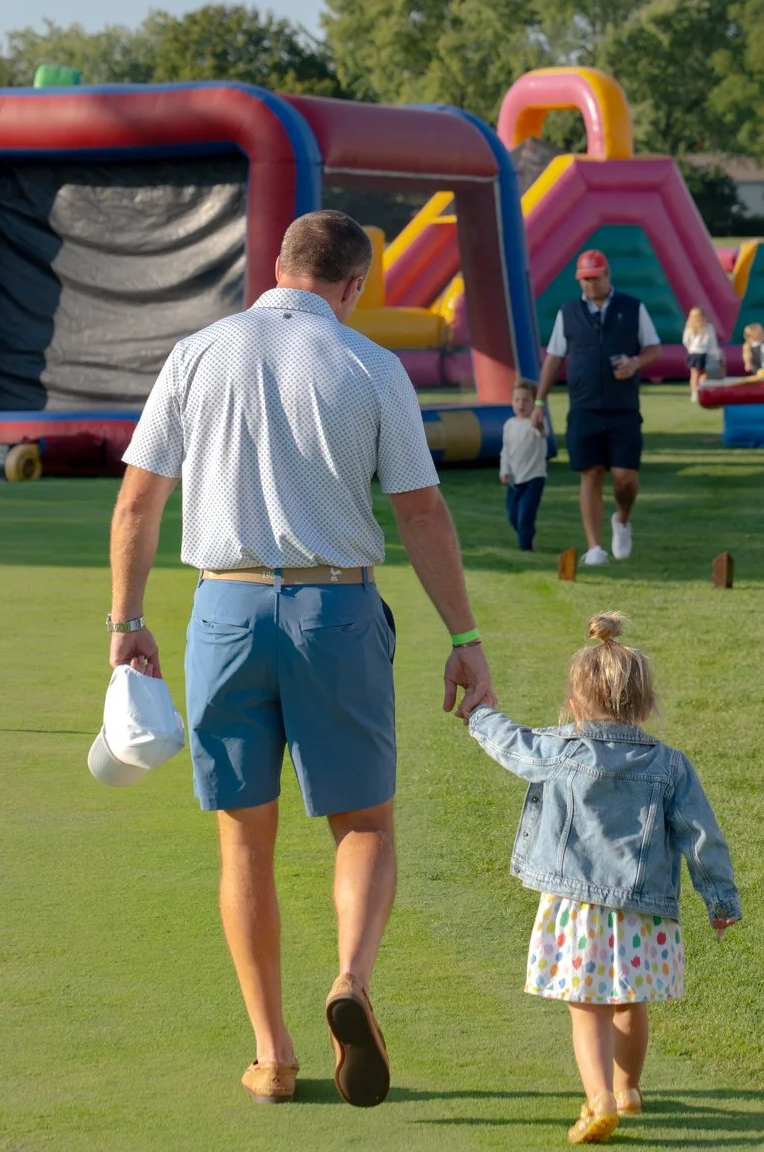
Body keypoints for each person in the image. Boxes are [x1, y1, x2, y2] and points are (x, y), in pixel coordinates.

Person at [108, 209, 496, 1110]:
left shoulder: (198, 352)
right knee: (363, 823)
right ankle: (351, 982)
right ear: (355, 286)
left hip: (226, 605)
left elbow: (135, 504)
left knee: (244, 840)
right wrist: (466, 639)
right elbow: (422, 512)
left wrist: (125, 621)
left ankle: (273, 1054)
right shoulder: (370, 365)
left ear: (275, 266)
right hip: (336, 604)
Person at [466, 612, 741, 1145]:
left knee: (585, 1004)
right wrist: (720, 899)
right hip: (644, 907)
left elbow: (512, 742)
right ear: (647, 705)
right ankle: (629, 1089)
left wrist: (478, 714)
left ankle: (598, 1100)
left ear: (574, 706)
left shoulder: (563, 750)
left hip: (576, 905)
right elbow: (701, 835)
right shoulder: (671, 765)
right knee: (628, 999)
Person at [533, 249, 662, 567]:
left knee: (625, 478)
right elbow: (554, 358)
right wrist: (539, 402)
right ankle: (594, 548)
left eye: (594, 278)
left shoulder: (632, 308)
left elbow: (654, 348)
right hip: (584, 406)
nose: (589, 285)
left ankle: (622, 519)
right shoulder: (569, 312)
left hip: (623, 407)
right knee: (590, 473)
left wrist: (634, 363)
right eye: (584, 280)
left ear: (607, 276)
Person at [500, 380, 548, 551]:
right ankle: (529, 534)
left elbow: (543, 434)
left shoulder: (535, 423)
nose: (521, 404)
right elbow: (506, 450)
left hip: (534, 477)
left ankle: (526, 550)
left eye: (526, 400)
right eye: (517, 400)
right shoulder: (509, 425)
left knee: (524, 517)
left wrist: (539, 425)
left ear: (534, 403)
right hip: (514, 479)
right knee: (513, 517)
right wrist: (504, 470)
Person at [680, 308, 716, 398]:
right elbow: (712, 342)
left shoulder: (689, 327)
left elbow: (685, 341)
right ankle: (699, 390)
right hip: (703, 353)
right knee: (704, 374)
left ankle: (694, 393)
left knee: (694, 375)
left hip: (693, 353)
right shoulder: (708, 327)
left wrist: (691, 348)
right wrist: (714, 352)